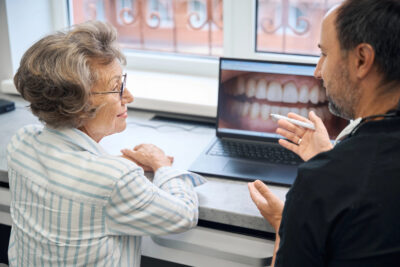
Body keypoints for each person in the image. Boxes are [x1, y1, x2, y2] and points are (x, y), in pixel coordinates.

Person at [7, 21, 206, 266]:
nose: (129, 96)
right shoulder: (116, 179)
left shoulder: (21, 143)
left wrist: (113, 162)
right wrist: (163, 165)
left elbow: (71, 174)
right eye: (116, 88)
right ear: (79, 104)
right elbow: (184, 215)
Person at [248, 0, 400, 266]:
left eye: (325, 54)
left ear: (361, 59)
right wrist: (330, 159)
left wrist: (286, 224)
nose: (318, 71)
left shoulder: (320, 184)